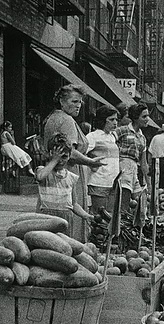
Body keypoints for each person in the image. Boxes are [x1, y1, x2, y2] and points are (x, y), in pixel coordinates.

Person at [42, 84, 106, 241]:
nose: (78, 106)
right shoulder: (67, 120)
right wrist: (90, 161)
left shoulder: (52, 118)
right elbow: (69, 151)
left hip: (54, 173)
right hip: (69, 172)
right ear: (62, 102)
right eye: (74, 101)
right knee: (70, 216)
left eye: (80, 102)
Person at [35, 133, 94, 225]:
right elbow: (40, 177)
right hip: (46, 218)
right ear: (49, 154)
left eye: (64, 157)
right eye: (57, 157)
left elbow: (73, 204)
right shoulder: (43, 171)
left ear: (69, 156)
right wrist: (54, 160)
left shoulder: (71, 177)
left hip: (65, 218)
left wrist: (86, 215)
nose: (60, 161)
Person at [113, 103, 151, 215]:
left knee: (141, 202)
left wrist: (149, 184)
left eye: (147, 116)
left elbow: (144, 163)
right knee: (123, 203)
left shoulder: (142, 137)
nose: (147, 119)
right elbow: (109, 143)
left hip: (134, 169)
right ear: (135, 118)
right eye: (144, 117)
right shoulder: (122, 130)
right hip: (123, 167)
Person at [86, 105, 120, 215]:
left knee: (110, 215)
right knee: (98, 215)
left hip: (113, 182)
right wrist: (91, 163)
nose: (115, 122)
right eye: (111, 119)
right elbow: (81, 154)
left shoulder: (112, 137)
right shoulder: (93, 136)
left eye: (116, 119)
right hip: (99, 181)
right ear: (103, 120)